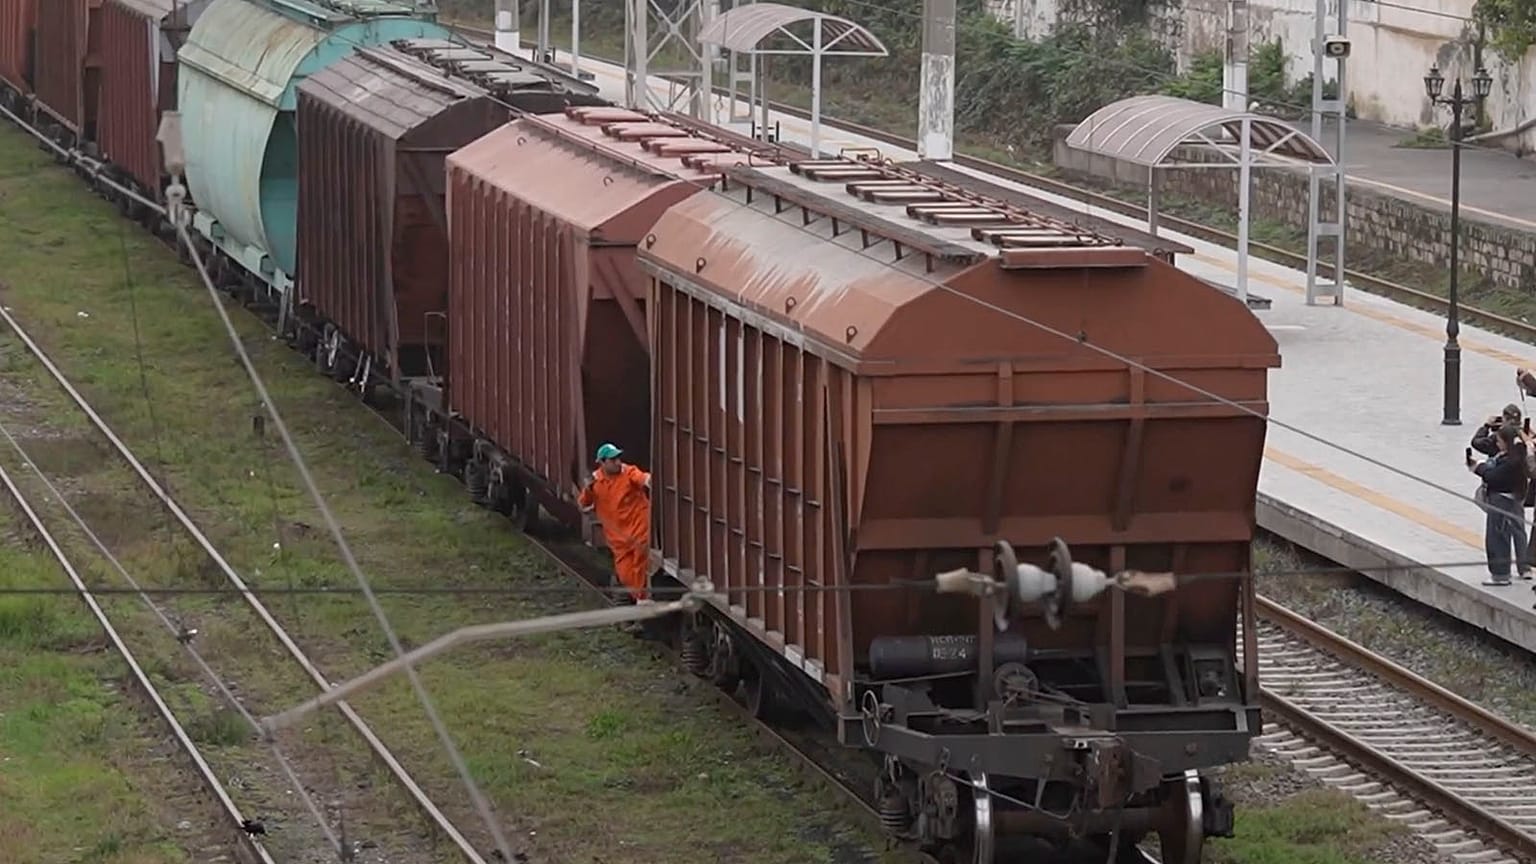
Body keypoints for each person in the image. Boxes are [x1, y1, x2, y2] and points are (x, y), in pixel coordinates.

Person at [576, 443, 653, 604]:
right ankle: (640, 598)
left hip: (638, 527)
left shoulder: (628, 471)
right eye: (613, 460)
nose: (618, 462)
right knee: (625, 573)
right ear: (602, 463)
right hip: (617, 537)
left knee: (640, 561)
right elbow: (583, 504)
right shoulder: (595, 482)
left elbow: (641, 477)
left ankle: (642, 599)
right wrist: (588, 489)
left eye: (618, 458)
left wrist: (648, 480)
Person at [1471, 423, 1530, 586]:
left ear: (1506, 442)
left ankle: (1500, 574)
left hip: (1501, 502)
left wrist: (1479, 468)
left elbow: (1494, 477)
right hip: (1512, 500)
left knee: (1497, 537)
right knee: (1516, 532)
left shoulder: (1511, 462)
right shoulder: (1516, 456)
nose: (1497, 444)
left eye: (1499, 441)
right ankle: (1522, 567)